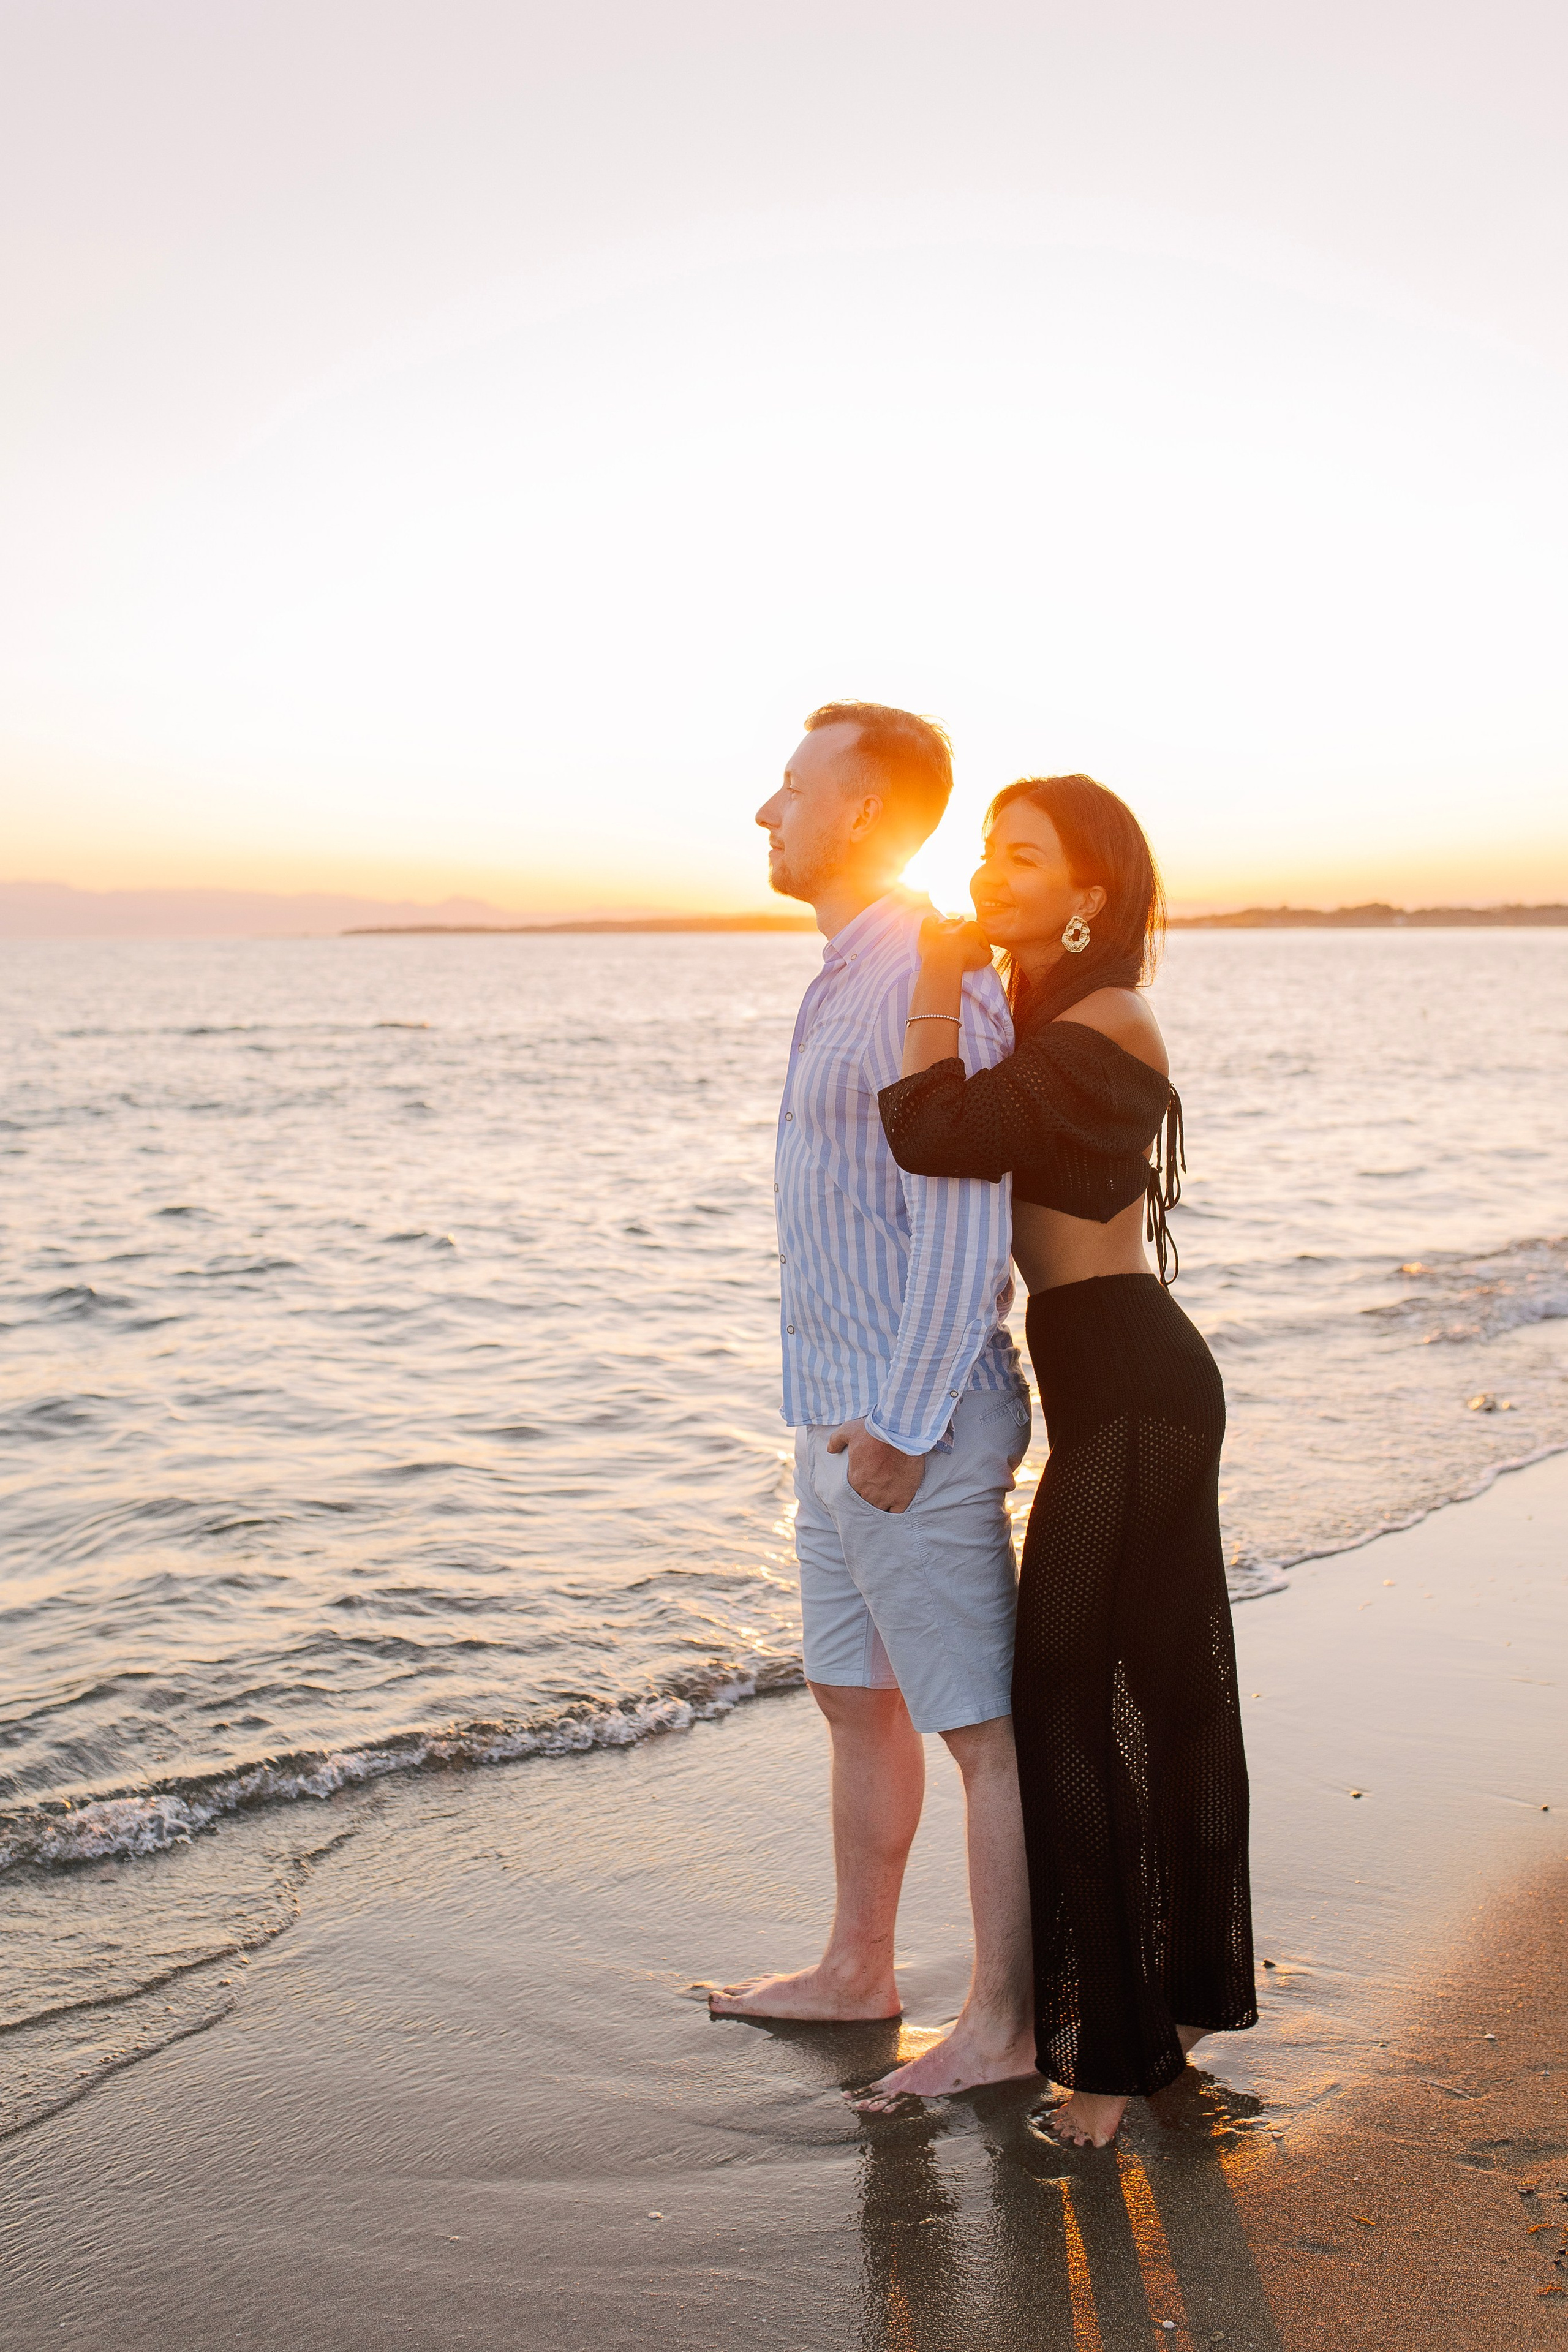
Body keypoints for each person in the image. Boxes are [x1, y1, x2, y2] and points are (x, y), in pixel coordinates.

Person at [870, 773, 1256, 2144]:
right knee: (1158, 1688)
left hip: (1140, 1394)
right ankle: (1185, 2001)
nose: (990, 869)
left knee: (1073, 1706)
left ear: (1087, 892)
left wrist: (927, 967)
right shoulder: (1048, 1018)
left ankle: (1102, 2067)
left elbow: (927, 1128)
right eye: (984, 849)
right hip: (1111, 1392)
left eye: (1021, 855)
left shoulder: (1106, 1020)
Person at [707, 702, 1039, 2101]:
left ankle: (1003, 2026)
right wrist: (841, 1424)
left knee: (975, 1729)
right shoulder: (841, 969)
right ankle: (858, 1973)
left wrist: (903, 1424)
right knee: (855, 1702)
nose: (762, 812)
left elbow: (968, 1211)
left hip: (916, 1420)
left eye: (789, 788)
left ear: (858, 813)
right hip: (832, 1414)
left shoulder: (927, 967)